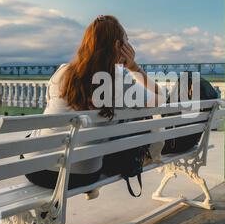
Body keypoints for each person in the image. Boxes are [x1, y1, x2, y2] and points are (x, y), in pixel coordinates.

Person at [24, 15, 165, 199]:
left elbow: (50, 108)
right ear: (117, 47)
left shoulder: (62, 72)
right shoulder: (121, 82)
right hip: (80, 176)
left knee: (37, 136)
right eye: (126, 41)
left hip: (36, 170)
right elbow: (160, 97)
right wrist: (134, 68)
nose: (129, 46)